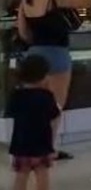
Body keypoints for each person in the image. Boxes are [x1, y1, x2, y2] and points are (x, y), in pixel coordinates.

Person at [16, 0, 91, 160]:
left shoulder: (25, 0)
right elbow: (90, 3)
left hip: (35, 55)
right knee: (55, 106)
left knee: (35, 104)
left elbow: (23, 32)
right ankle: (49, 149)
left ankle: (32, 146)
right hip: (57, 54)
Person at [7, 54, 59, 190]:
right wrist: (52, 143)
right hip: (42, 144)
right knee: (42, 175)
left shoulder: (16, 95)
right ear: (44, 76)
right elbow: (55, 117)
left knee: (21, 175)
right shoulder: (47, 96)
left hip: (21, 144)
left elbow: (10, 116)